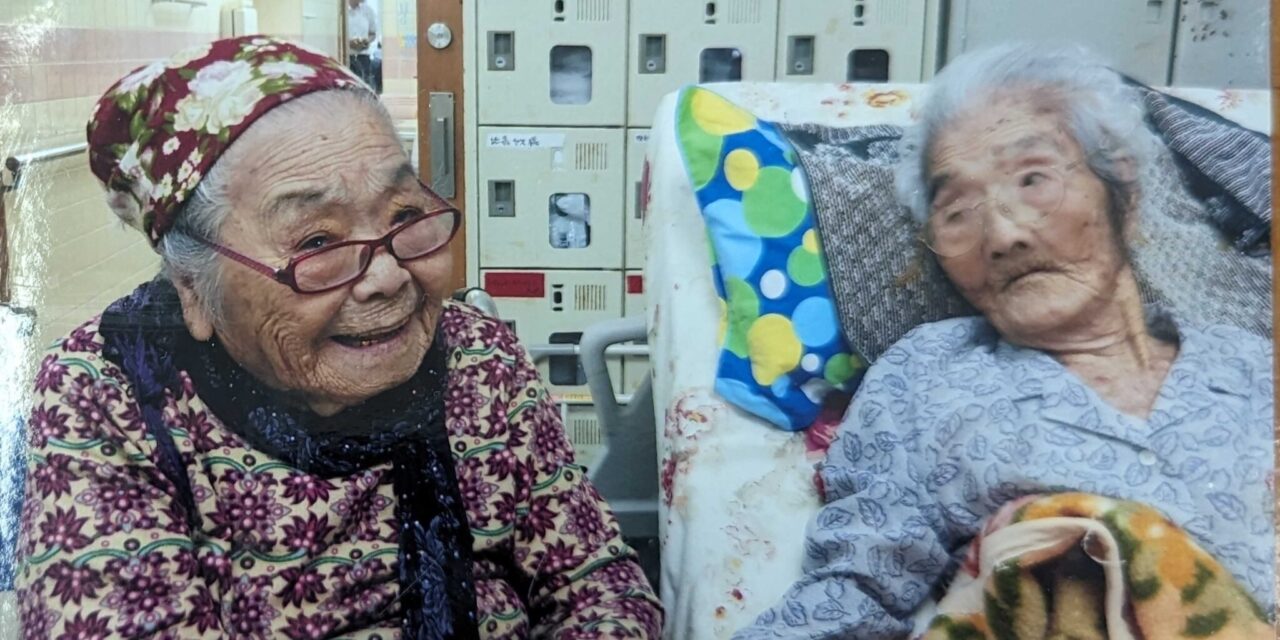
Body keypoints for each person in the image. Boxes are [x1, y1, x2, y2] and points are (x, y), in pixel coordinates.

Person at [16, 36, 661, 638]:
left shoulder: (477, 356)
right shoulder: (108, 394)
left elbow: (599, 587)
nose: (386, 277)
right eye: (317, 242)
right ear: (192, 286)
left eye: (404, 214)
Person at [735, 43, 1273, 638]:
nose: (1003, 235)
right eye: (957, 210)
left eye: (1033, 178)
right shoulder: (926, 379)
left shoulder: (1255, 366)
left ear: (1124, 192)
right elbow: (853, 592)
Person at [347, 0, 380, 91]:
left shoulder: (368, 11)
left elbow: (372, 34)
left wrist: (366, 41)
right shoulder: (342, 11)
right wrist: (348, 43)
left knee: (363, 89)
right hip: (346, 57)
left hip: (363, 57)